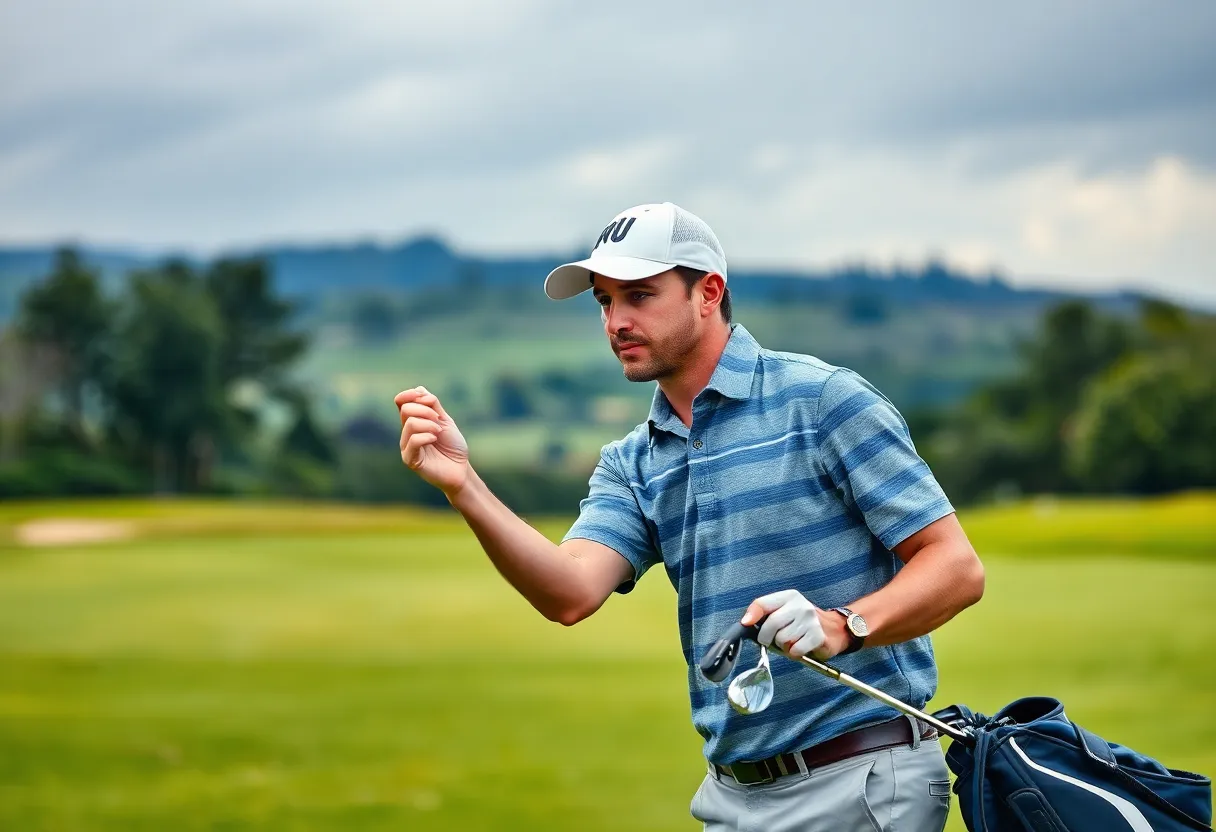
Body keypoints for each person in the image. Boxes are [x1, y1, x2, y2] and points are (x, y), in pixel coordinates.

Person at [395, 202, 985, 831]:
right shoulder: (634, 460)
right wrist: (465, 486)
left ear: (709, 293)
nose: (616, 321)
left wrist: (843, 626)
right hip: (732, 796)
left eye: (640, 296)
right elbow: (568, 592)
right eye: (604, 301)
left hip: (861, 778)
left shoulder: (822, 401)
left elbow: (956, 566)